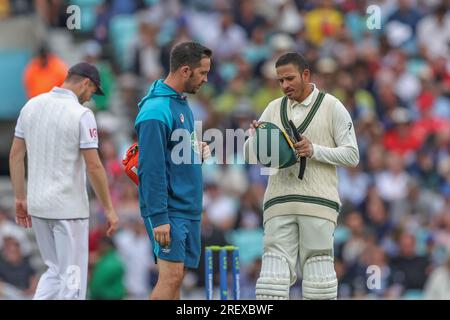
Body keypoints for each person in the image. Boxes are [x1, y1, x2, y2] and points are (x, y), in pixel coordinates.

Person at [244, 52, 359, 300]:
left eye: (290, 78)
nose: (285, 85)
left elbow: (352, 155)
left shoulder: (332, 106)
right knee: (271, 280)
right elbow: (248, 154)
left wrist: (314, 150)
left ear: (306, 74)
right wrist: (258, 141)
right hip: (278, 201)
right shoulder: (273, 108)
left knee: (319, 276)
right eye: (280, 80)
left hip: (318, 202)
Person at [9, 62, 119, 300]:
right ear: (85, 83)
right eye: (92, 91)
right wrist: (109, 208)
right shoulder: (82, 115)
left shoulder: (31, 105)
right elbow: (94, 165)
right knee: (73, 278)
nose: (91, 98)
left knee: (54, 272)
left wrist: (20, 197)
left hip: (39, 205)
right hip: (69, 208)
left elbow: (16, 155)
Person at [135, 41, 212, 300]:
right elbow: (151, 169)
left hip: (186, 207)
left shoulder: (179, 102)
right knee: (171, 278)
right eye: (202, 73)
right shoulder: (156, 109)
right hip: (169, 210)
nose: (206, 79)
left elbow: (173, 152)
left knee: (177, 279)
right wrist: (159, 218)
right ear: (186, 71)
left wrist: (194, 149)